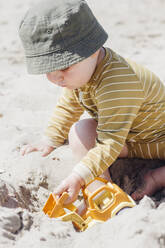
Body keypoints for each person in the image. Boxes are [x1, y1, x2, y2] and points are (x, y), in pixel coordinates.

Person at [19, 0, 165, 205]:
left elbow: (110, 142)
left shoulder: (117, 82)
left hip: (158, 139)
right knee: (79, 131)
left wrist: (79, 175)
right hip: (129, 139)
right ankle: (101, 191)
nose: (57, 77)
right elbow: (68, 107)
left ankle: (156, 177)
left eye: (64, 66)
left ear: (94, 49)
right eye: (48, 69)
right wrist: (51, 139)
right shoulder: (79, 77)